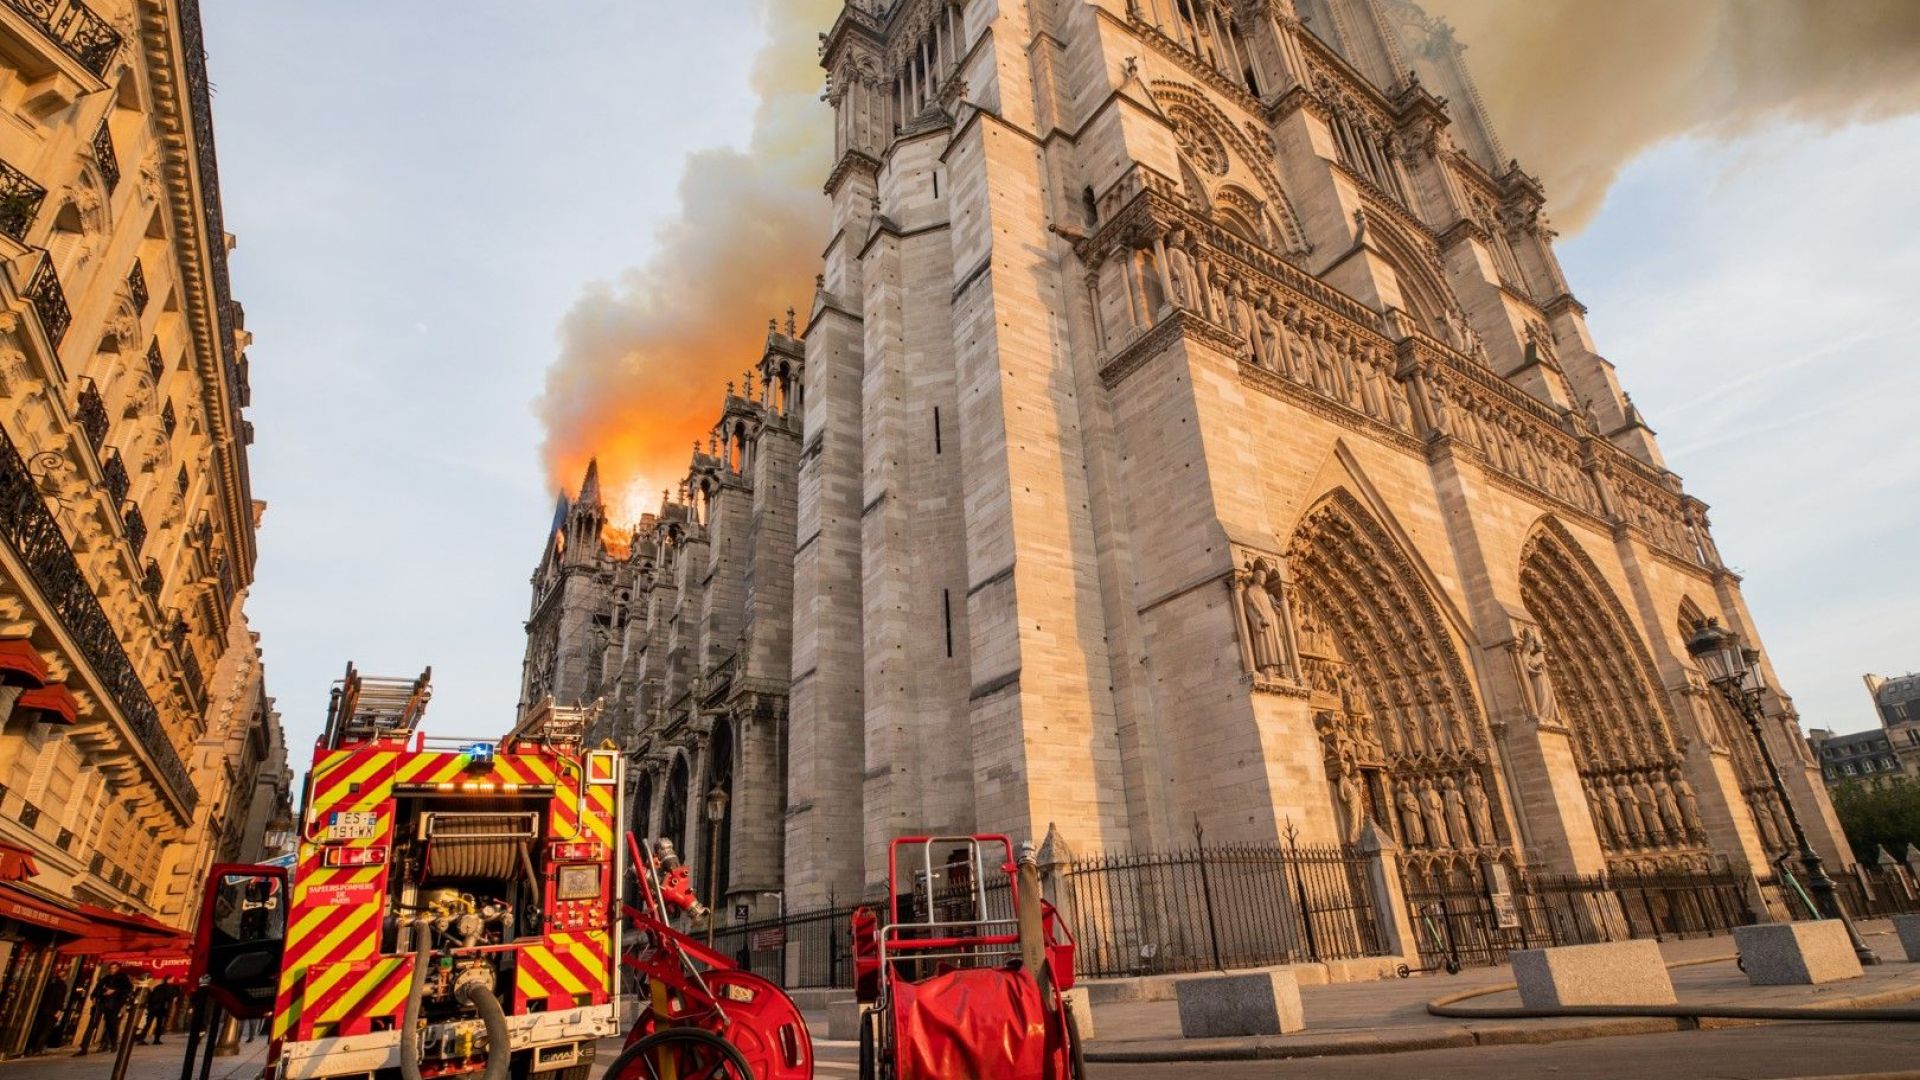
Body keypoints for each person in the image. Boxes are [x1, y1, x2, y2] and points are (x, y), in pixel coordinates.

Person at [76, 962, 132, 1055]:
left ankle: (112, 1044)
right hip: (100, 1003)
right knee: (92, 1025)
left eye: (114, 968)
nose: (111, 970)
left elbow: (128, 990)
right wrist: (94, 997)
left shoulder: (123, 979)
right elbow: (96, 990)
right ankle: (84, 1048)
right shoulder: (105, 978)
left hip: (113, 1005)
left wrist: (114, 991)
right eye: (110, 968)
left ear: (118, 968)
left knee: (111, 1025)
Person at [25, 973, 67, 1055]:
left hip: (43, 1009)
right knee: (46, 1030)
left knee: (39, 1029)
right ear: (64, 977)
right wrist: (59, 1010)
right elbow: (59, 999)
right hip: (53, 1011)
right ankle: (37, 1048)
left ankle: (31, 1047)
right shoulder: (62, 986)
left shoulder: (49, 984)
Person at [138, 978, 180, 1044]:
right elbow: (169, 998)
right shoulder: (168, 988)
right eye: (172, 979)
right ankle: (156, 1039)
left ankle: (142, 1038)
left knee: (148, 1023)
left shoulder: (158, 987)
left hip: (152, 1007)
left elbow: (151, 996)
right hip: (160, 1008)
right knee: (159, 1024)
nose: (172, 980)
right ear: (168, 980)